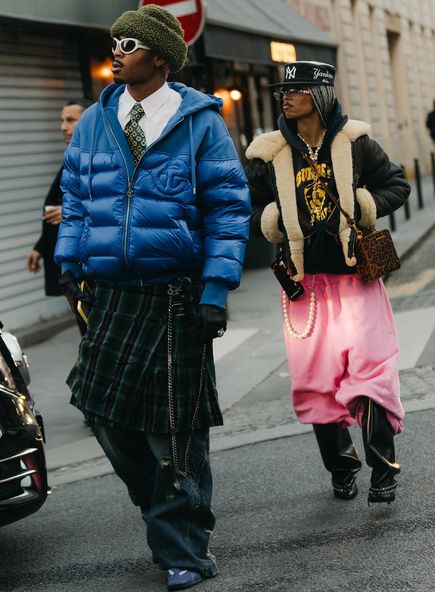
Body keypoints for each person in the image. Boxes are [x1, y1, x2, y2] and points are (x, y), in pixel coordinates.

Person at [54, 5, 250, 591]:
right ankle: (158, 503)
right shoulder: (95, 119)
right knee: (102, 414)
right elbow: (77, 193)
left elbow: (229, 209)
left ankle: (184, 545)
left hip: (174, 295)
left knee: (176, 431)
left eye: (130, 43)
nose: (117, 50)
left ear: (160, 57)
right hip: (110, 290)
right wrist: (70, 260)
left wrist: (216, 288)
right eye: (115, 41)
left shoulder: (201, 122)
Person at [246, 61, 410, 506]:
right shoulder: (271, 153)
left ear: (319, 94)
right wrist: (271, 219)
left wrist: (366, 204)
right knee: (317, 379)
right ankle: (341, 469)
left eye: (296, 88)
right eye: (283, 89)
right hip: (305, 287)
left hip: (356, 278)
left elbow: (398, 184)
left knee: (371, 373)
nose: (286, 95)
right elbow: (247, 205)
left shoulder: (354, 143)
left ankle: (383, 470)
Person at [26, 99, 92, 301]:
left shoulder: (98, 158)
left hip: (90, 262)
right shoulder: (74, 157)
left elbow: (116, 204)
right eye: (62, 120)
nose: (63, 127)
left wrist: (70, 212)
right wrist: (41, 246)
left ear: (90, 121)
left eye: (71, 120)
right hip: (72, 260)